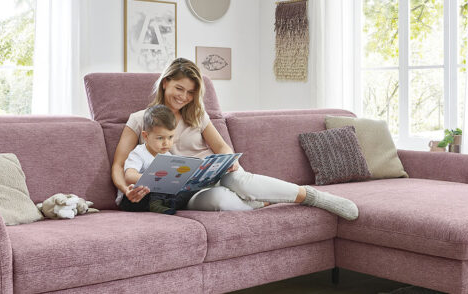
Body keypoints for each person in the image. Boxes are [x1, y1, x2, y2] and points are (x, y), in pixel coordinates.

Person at [110, 58, 358, 220]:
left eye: (190, 92)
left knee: (238, 177)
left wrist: (229, 162)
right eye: (179, 88)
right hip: (184, 192)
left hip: (210, 173)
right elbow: (119, 165)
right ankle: (259, 204)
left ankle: (313, 197)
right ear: (165, 83)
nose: (184, 97)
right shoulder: (140, 119)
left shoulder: (197, 115)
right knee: (219, 200)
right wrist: (126, 188)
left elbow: (221, 147)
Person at [116, 105, 193, 215]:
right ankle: (159, 203)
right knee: (153, 189)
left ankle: (164, 204)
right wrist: (156, 178)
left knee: (186, 191)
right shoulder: (139, 153)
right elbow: (129, 176)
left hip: (158, 196)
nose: (166, 143)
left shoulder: (167, 155)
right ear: (145, 136)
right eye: (160, 138)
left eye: (170, 137)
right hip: (134, 199)